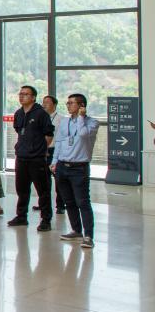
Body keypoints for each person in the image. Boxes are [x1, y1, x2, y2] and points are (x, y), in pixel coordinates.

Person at [52, 93, 100, 249]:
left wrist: (81, 117)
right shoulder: (65, 122)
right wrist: (54, 161)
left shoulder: (92, 123)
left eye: (72, 103)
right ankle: (76, 230)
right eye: (68, 103)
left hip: (79, 168)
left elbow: (83, 134)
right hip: (62, 166)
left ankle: (88, 236)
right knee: (69, 201)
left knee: (83, 202)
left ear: (81, 106)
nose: (68, 105)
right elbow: (59, 142)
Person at [7, 85, 55, 232]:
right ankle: (21, 216)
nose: (22, 96)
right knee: (22, 189)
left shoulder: (41, 114)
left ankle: (46, 219)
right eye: (20, 94)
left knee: (42, 190)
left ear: (33, 97)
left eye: (26, 94)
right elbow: (19, 132)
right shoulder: (18, 113)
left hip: (36, 158)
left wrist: (41, 149)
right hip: (21, 157)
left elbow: (49, 134)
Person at [40, 95, 66, 215]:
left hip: (55, 151)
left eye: (47, 102)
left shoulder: (61, 119)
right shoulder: (40, 118)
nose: (44, 104)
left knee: (58, 180)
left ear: (54, 105)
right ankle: (44, 204)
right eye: (43, 102)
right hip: (42, 151)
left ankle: (60, 205)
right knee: (43, 181)